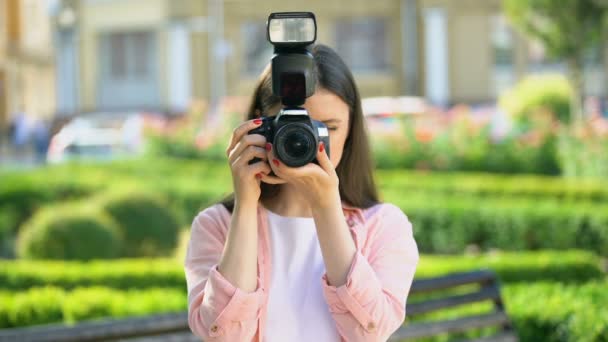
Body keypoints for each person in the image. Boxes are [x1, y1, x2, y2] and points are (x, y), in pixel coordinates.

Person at [184, 44, 419, 341]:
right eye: (295, 127)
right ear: (259, 124)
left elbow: (370, 333)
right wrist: (245, 205)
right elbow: (223, 336)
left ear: (350, 130)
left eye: (327, 128)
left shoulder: (384, 226)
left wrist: (325, 207)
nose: (308, 143)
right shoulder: (215, 226)